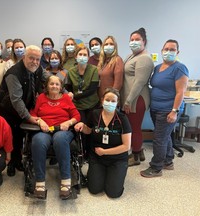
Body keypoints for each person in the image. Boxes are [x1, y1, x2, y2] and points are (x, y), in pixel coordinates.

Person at [140, 39, 189, 178]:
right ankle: (168, 161)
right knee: (164, 135)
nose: (168, 52)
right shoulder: (158, 68)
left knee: (159, 138)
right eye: (166, 49)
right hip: (156, 108)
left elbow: (181, 92)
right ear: (162, 51)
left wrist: (174, 111)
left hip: (168, 109)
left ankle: (156, 167)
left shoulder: (179, 68)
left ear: (177, 52)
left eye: (172, 49)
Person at [0, 45, 46, 177]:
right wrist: (28, 117)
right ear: (24, 57)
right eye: (31, 58)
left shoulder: (38, 68)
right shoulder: (14, 73)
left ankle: (18, 161)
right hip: (8, 109)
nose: (34, 62)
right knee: (11, 136)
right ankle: (11, 163)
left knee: (19, 135)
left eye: (37, 59)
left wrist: (64, 92)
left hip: (23, 106)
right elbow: (16, 100)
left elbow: (49, 79)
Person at [30, 75, 81, 199]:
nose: (54, 86)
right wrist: (39, 121)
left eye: (57, 84)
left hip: (63, 130)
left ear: (61, 87)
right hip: (45, 130)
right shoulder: (41, 98)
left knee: (59, 139)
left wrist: (68, 123)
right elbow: (33, 114)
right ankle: (40, 182)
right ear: (47, 86)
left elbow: (77, 116)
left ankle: (66, 180)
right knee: (38, 140)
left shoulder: (65, 99)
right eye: (51, 84)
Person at [74, 87, 132, 198]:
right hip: (97, 157)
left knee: (113, 193)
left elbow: (126, 146)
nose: (109, 103)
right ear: (102, 100)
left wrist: (105, 151)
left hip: (117, 159)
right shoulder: (95, 114)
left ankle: (113, 173)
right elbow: (89, 130)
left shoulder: (122, 119)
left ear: (117, 103)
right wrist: (82, 125)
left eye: (113, 101)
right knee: (95, 189)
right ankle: (101, 173)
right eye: (107, 100)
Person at [120, 27, 154, 166]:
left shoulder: (145, 59)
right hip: (130, 98)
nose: (134, 42)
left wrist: (128, 102)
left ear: (144, 41)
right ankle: (139, 151)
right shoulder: (132, 56)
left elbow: (139, 83)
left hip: (136, 98)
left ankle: (134, 157)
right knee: (132, 126)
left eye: (137, 40)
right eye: (132, 40)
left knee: (134, 128)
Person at [65, 46, 99, 158]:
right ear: (76, 56)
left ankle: (90, 153)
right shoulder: (71, 72)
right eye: (80, 54)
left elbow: (92, 89)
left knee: (90, 129)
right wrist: (70, 93)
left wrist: (75, 96)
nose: (82, 57)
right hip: (77, 106)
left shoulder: (93, 69)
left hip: (92, 104)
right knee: (80, 130)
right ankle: (82, 153)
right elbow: (68, 86)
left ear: (88, 57)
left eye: (85, 55)